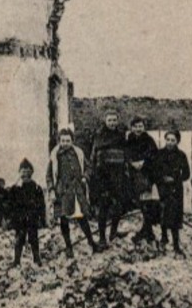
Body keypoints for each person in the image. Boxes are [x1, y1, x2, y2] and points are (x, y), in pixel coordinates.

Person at [47, 127, 97, 258]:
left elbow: (88, 167)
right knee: (64, 220)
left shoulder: (78, 153)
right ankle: (69, 247)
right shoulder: (55, 155)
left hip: (77, 191)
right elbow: (49, 176)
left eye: (68, 140)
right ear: (59, 141)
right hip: (62, 192)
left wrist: (85, 177)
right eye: (63, 140)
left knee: (82, 218)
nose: (65, 143)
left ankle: (91, 242)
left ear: (72, 141)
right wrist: (51, 189)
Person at [89, 111, 129, 250]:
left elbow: (125, 155)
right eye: (110, 120)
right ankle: (101, 238)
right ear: (105, 121)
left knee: (118, 206)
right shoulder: (99, 136)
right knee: (104, 207)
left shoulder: (120, 136)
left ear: (117, 121)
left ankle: (113, 233)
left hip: (118, 177)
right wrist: (97, 179)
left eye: (114, 120)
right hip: (103, 177)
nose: (112, 123)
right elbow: (94, 159)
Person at [151, 130, 190, 255]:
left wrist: (174, 179)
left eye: (173, 140)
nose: (170, 142)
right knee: (163, 213)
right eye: (168, 139)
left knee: (175, 216)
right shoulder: (159, 154)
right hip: (163, 188)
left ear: (177, 141)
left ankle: (176, 244)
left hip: (176, 189)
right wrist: (162, 179)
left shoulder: (181, 155)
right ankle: (163, 237)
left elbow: (186, 174)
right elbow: (154, 171)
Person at [125, 117, 159, 244]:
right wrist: (131, 163)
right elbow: (126, 154)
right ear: (132, 128)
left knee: (146, 203)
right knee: (140, 202)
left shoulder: (149, 140)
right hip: (134, 175)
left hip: (146, 175)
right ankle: (147, 231)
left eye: (140, 126)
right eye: (135, 126)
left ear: (144, 127)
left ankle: (147, 231)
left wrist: (144, 162)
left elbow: (154, 155)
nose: (138, 129)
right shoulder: (129, 140)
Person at [9, 159, 46, 267]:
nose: (25, 173)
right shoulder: (15, 188)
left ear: (31, 173)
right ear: (19, 172)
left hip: (32, 218)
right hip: (20, 219)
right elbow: (10, 204)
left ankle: (37, 259)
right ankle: (16, 261)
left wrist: (42, 219)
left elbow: (41, 205)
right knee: (19, 239)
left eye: (27, 171)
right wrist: (12, 219)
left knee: (33, 239)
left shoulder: (36, 187)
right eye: (23, 171)